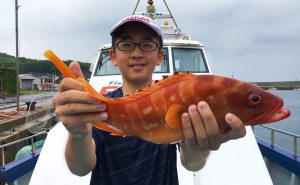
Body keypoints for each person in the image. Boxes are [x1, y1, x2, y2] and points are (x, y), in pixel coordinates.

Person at [52, 15, 246, 185]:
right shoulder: (99, 108)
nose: (137, 53)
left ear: (160, 56)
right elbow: (80, 169)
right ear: (113, 56)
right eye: (126, 45)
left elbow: (192, 163)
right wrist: (79, 134)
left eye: (147, 45)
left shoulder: (175, 100)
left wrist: (198, 146)